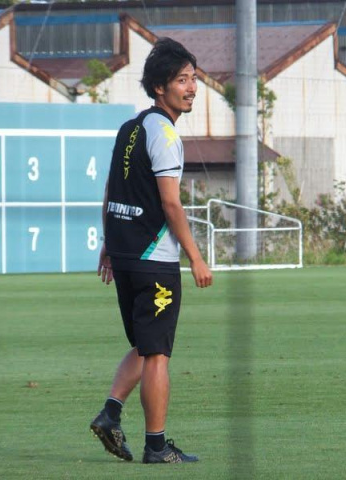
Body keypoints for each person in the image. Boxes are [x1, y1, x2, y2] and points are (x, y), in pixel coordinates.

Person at [89, 37, 213, 464]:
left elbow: (112, 189)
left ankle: (110, 413)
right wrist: (196, 257)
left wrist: (109, 242)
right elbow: (171, 204)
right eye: (182, 80)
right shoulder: (164, 133)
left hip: (125, 256)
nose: (191, 88)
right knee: (157, 353)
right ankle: (156, 447)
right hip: (153, 260)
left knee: (145, 345)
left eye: (193, 79)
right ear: (160, 87)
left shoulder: (130, 128)